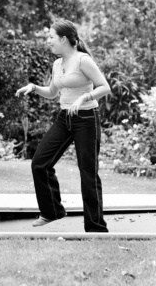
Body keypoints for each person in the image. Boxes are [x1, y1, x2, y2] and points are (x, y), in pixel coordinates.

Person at [16, 20, 111, 232]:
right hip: (65, 118)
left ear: (64, 39)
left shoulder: (82, 60)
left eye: (51, 37)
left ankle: (96, 227)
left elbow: (105, 87)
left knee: (88, 173)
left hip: (86, 118)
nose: (48, 41)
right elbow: (52, 92)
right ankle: (52, 211)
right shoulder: (57, 64)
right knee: (40, 163)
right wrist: (33, 88)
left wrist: (84, 98)